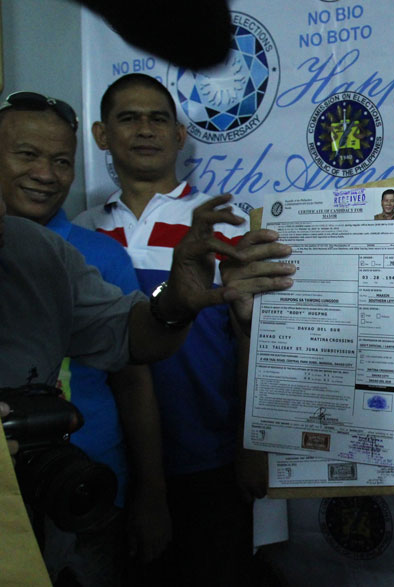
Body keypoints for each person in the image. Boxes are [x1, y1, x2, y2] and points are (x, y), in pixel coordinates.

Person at [74, 73, 263, 586]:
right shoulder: (82, 230)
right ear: (100, 134)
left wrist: (251, 444)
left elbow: (250, 337)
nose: (145, 129)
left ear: (180, 136)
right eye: (128, 118)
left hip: (210, 456)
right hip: (110, 462)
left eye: (158, 118)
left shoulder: (222, 224)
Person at [0, 90, 169, 585]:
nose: (46, 174)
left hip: (86, 489)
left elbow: (134, 378)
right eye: (27, 155)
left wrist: (150, 492)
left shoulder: (96, 253)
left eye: (61, 161)